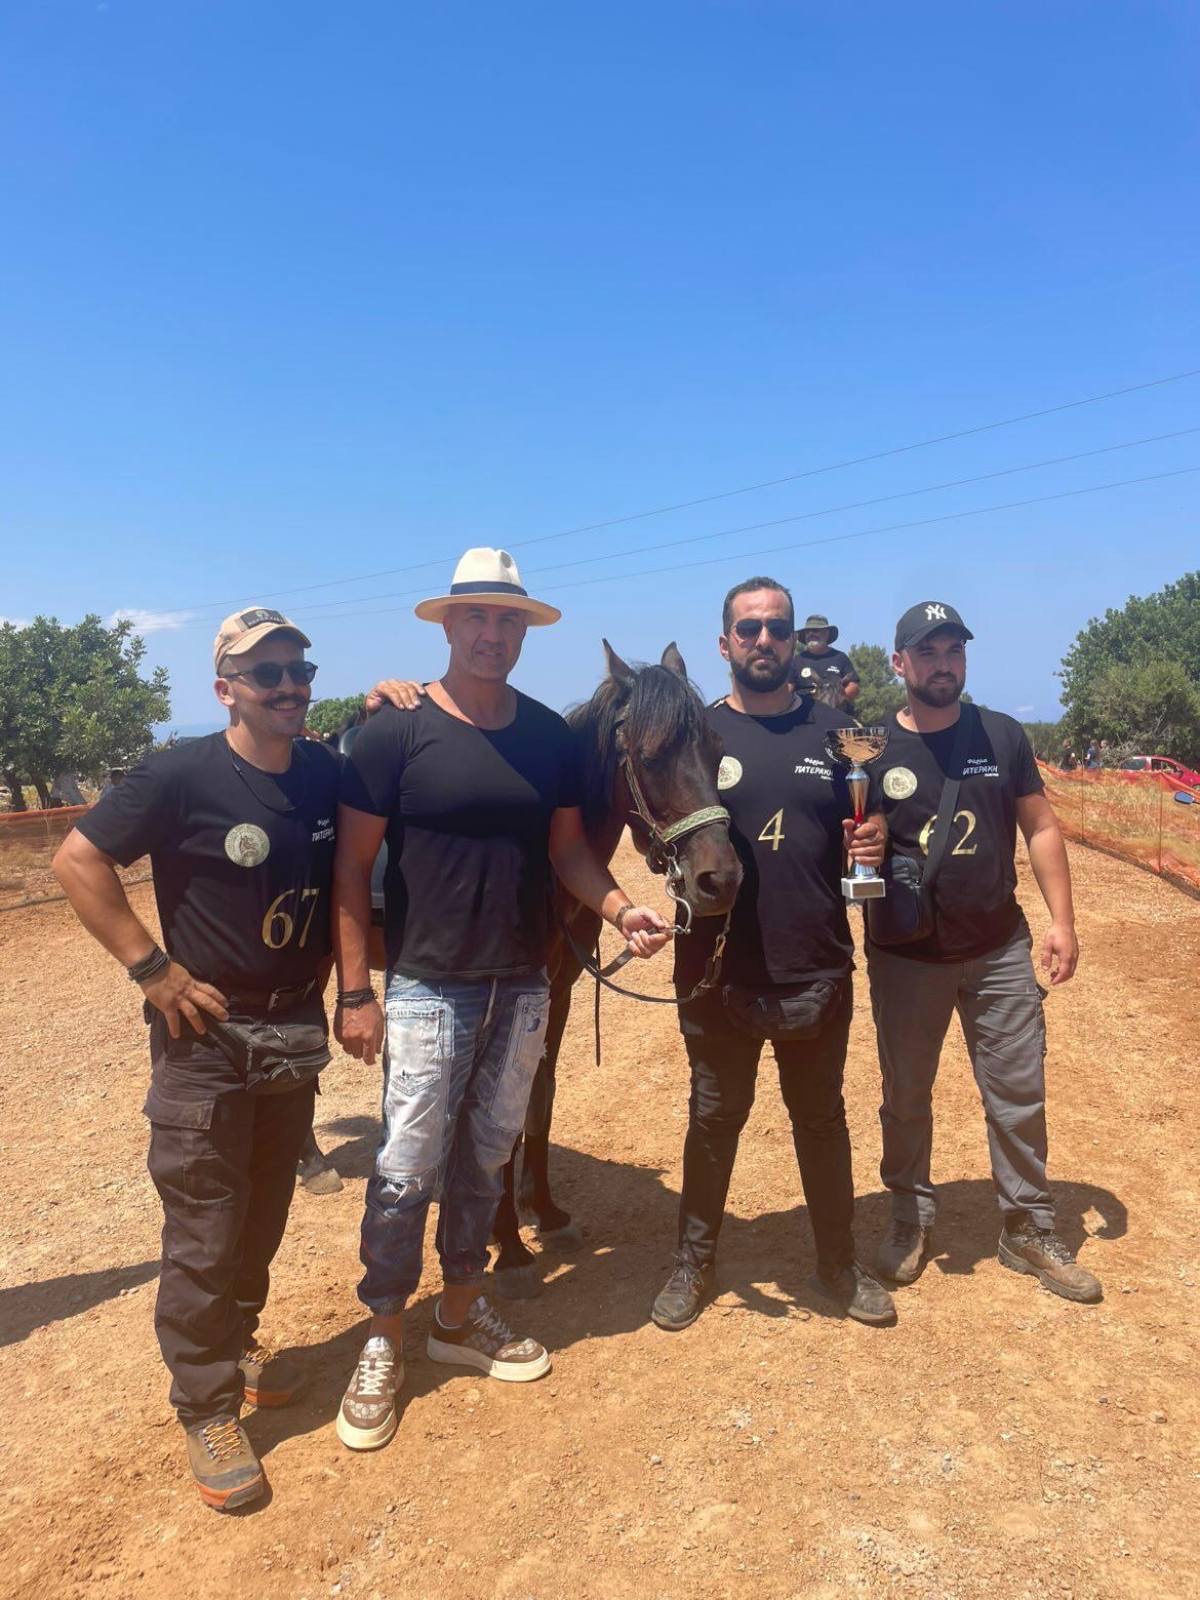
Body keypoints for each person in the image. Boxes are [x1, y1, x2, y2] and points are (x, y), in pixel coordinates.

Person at [332, 547, 671, 1453]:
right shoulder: (395, 732)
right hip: (427, 983)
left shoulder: (549, 740)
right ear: (448, 625)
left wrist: (620, 907)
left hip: (522, 982)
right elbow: (352, 868)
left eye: (508, 620)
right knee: (406, 1168)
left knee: (485, 1162)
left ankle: (459, 1313)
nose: (492, 633)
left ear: (524, 632)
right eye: (477, 617)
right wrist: (356, 990)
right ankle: (382, 1337)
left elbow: (568, 852)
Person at [54, 607, 345, 1511]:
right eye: (268, 674)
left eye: (299, 670)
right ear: (227, 689)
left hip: (293, 1034)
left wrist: (393, 698)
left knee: (263, 1216)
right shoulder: (179, 773)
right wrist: (153, 969)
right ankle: (206, 1407)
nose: (289, 686)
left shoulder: (325, 773)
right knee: (205, 1231)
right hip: (205, 1044)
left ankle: (237, 1345)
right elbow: (76, 861)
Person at [650, 575, 895, 1334]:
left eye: (777, 628)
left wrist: (876, 840)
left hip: (814, 960)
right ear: (724, 643)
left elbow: (874, 827)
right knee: (713, 1118)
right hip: (715, 969)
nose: (764, 640)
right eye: (749, 628)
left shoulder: (840, 735)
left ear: (795, 643)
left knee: (821, 1120)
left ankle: (837, 1264)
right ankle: (694, 1263)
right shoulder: (695, 734)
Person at [867, 602, 1101, 1303]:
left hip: (999, 948)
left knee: (1018, 1093)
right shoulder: (870, 748)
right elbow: (854, 838)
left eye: (954, 651)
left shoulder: (1001, 734)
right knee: (906, 1096)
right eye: (928, 652)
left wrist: (1062, 921)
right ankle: (909, 1216)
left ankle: (1027, 1226)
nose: (944, 664)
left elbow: (1041, 827)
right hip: (907, 957)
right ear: (899, 663)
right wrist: (863, 843)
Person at [792, 612, 860, 703]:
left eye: (815, 631)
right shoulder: (796, 660)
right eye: (808, 632)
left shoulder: (840, 658)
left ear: (826, 634)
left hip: (835, 709)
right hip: (803, 709)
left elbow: (853, 686)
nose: (811, 634)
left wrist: (840, 697)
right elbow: (788, 688)